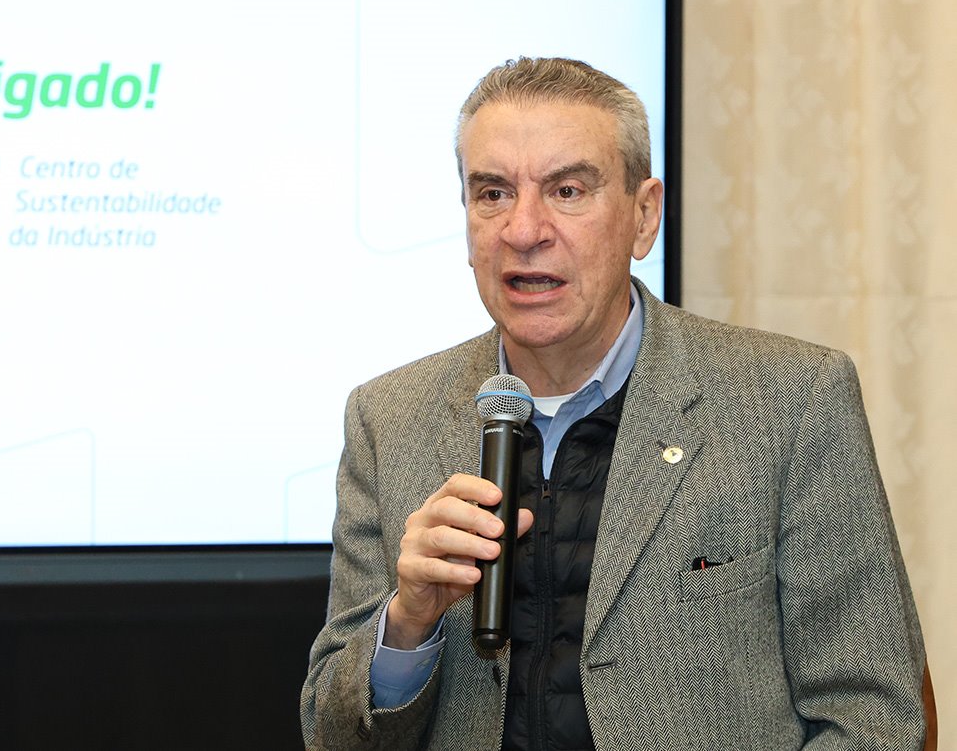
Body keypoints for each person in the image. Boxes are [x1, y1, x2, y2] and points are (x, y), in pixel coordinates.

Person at [300, 58, 927, 750]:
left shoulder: (790, 401)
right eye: (493, 193)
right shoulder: (388, 421)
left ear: (643, 216)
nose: (523, 230)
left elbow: (874, 719)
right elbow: (333, 734)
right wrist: (407, 622)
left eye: (567, 190)